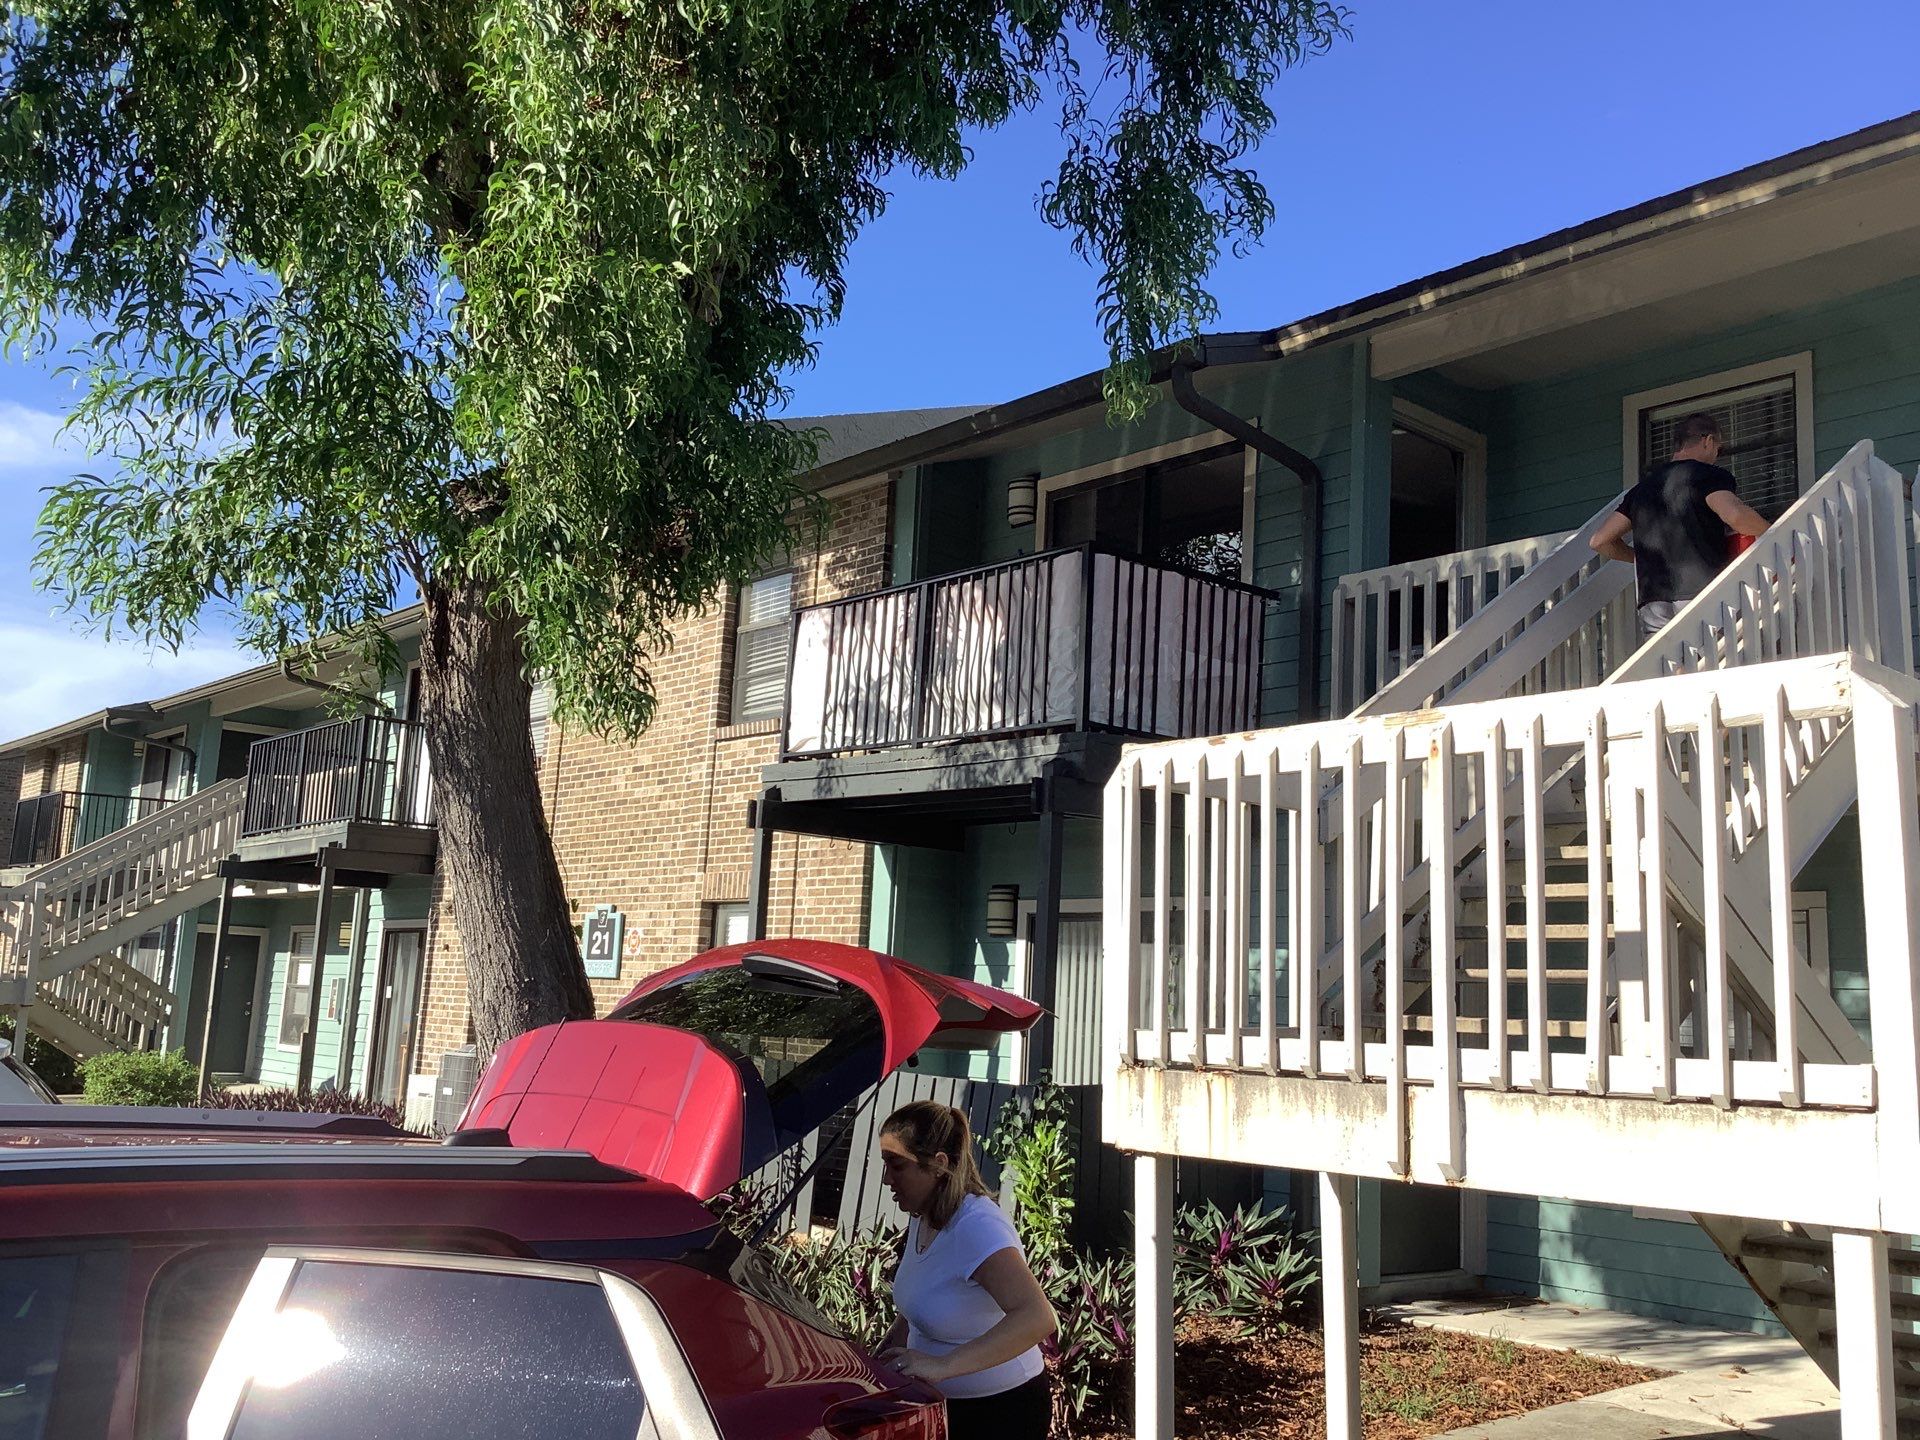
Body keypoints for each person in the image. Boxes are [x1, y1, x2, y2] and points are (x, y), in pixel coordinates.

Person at [876, 1100, 1056, 1440]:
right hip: (944, 1406)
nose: (886, 1179)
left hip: (1002, 1412)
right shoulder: (923, 1216)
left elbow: (1038, 1317)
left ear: (938, 1166)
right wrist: (877, 1365)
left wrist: (943, 1367)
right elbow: (916, 1307)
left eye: (896, 1166)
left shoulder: (977, 1227)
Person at [1589, 411, 1770, 638]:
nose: (1716, 454)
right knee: (1714, 663)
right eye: (1718, 448)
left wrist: (1641, 558)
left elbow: (1600, 541)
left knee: (1671, 669)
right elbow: (1734, 515)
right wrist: (1770, 530)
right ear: (1708, 441)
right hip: (1700, 592)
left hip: (1653, 601)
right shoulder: (1706, 475)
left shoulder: (1642, 489)